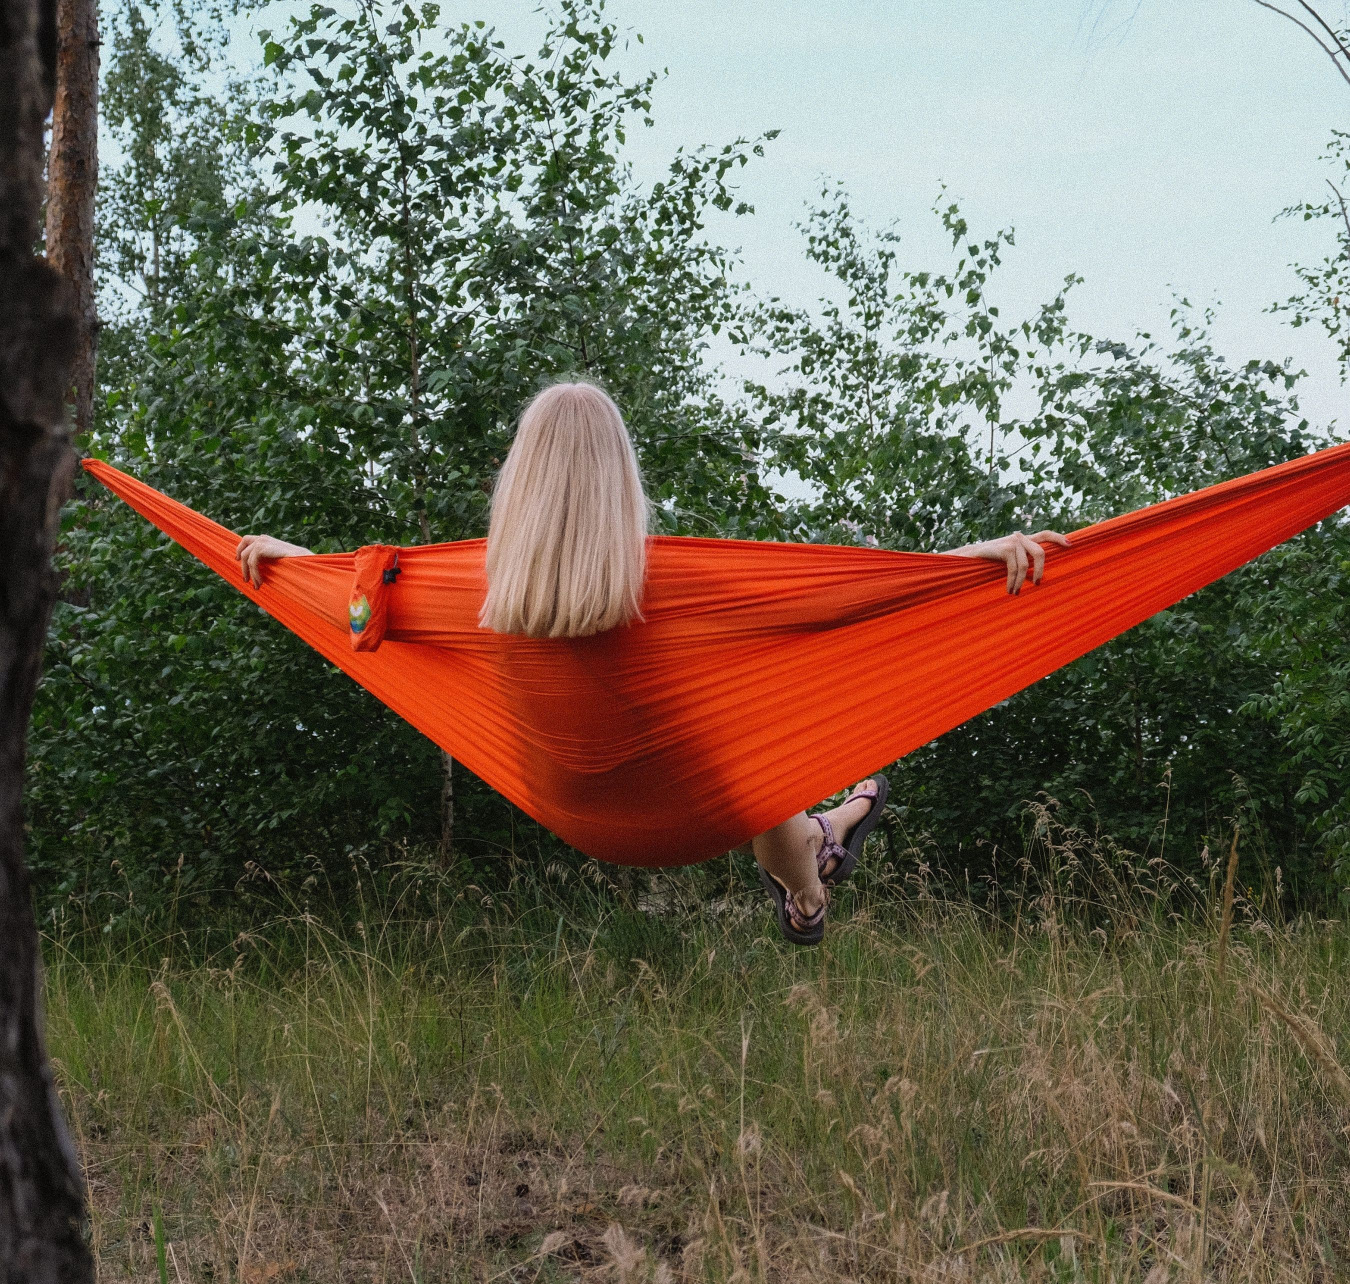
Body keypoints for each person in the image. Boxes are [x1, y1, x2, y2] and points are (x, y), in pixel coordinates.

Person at [237, 380, 1068, 945]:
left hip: (575, 811)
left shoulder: (465, 588)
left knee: (747, 736)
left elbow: (350, 609)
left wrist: (284, 564)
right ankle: (814, 863)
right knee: (760, 750)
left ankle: (823, 847)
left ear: (518, 480)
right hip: (693, 805)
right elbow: (862, 598)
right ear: (620, 479)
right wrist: (981, 563)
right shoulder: (673, 581)